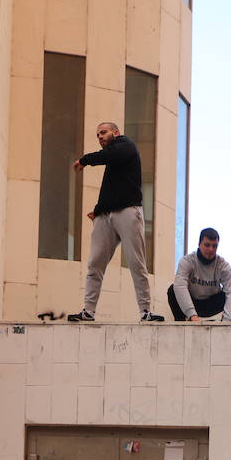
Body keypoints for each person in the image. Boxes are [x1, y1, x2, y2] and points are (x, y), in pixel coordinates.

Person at [68, 122, 164, 323]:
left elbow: (109, 156)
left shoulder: (126, 145)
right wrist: (98, 209)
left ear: (116, 132)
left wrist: (85, 160)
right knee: (95, 263)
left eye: (103, 132)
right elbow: (112, 187)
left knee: (136, 262)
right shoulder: (113, 158)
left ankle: (145, 311)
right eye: (98, 135)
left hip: (128, 212)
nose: (100, 137)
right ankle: (88, 311)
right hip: (106, 215)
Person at [168, 227, 231, 322]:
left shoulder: (222, 265)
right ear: (199, 244)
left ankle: (226, 322)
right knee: (172, 290)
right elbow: (180, 286)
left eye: (214, 246)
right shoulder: (187, 261)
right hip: (193, 302)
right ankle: (181, 326)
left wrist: (227, 321)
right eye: (207, 245)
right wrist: (191, 314)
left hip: (212, 303)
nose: (211, 249)